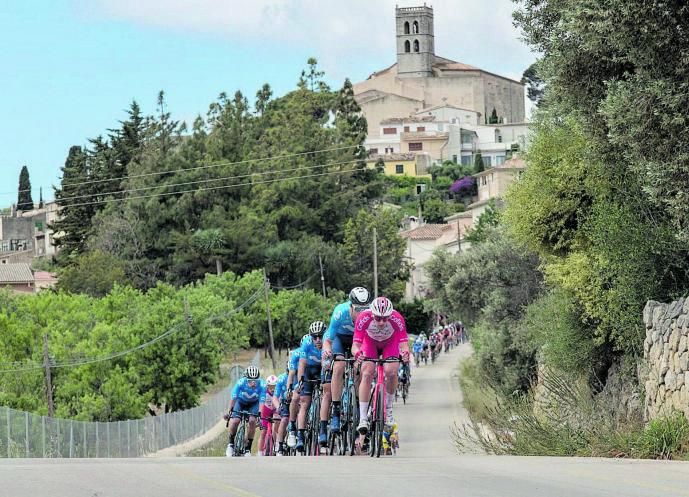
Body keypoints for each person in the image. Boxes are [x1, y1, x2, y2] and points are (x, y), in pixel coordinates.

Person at [352, 296, 410, 434]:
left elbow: (404, 345)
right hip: (370, 343)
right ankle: (363, 418)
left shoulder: (397, 318)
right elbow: (355, 345)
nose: (382, 322)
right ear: (372, 313)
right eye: (378, 318)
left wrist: (406, 353)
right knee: (366, 373)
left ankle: (388, 410)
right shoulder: (363, 317)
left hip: (390, 343)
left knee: (391, 371)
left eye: (385, 318)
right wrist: (357, 354)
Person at [321, 286, 371, 434]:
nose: (362, 313)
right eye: (358, 310)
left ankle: (357, 405)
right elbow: (328, 340)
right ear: (351, 307)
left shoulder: (369, 315)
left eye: (365, 309)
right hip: (339, 339)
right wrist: (327, 350)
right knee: (339, 365)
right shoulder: (340, 312)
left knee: (360, 369)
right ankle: (336, 410)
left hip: (358, 340)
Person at [295, 321, 327, 452]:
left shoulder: (328, 342)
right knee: (304, 403)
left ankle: (323, 429)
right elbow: (301, 364)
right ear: (310, 337)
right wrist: (301, 381)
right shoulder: (307, 343)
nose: (318, 340)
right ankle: (300, 436)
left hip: (323, 369)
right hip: (309, 370)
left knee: (327, 395)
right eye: (315, 337)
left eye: (320, 336)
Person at [225, 366, 266, 457]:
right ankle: (231, 444)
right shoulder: (240, 383)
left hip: (253, 404)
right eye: (250, 380)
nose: (253, 382)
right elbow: (233, 398)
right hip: (240, 402)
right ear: (246, 379)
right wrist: (229, 412)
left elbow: (262, 401)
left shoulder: (262, 385)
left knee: (252, 421)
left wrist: (259, 414)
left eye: (255, 380)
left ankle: (248, 448)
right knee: (235, 420)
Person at [286, 337, 308, 448]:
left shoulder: (317, 349)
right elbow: (291, 374)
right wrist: (289, 389)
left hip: (312, 375)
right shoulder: (296, 354)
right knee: (295, 398)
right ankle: (292, 426)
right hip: (298, 378)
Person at [257, 374, 279, 456]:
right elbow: (260, 403)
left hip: (275, 410)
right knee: (263, 432)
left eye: (274, 387)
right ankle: (259, 453)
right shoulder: (264, 391)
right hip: (265, 411)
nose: (272, 389)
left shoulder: (278, 391)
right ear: (267, 386)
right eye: (270, 387)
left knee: (276, 427)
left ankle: (276, 445)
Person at [273, 366, 291, 456]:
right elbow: (275, 397)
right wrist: (278, 407)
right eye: (289, 372)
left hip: (297, 401)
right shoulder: (281, 379)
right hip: (285, 402)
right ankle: (279, 445)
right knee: (284, 420)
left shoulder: (299, 376)